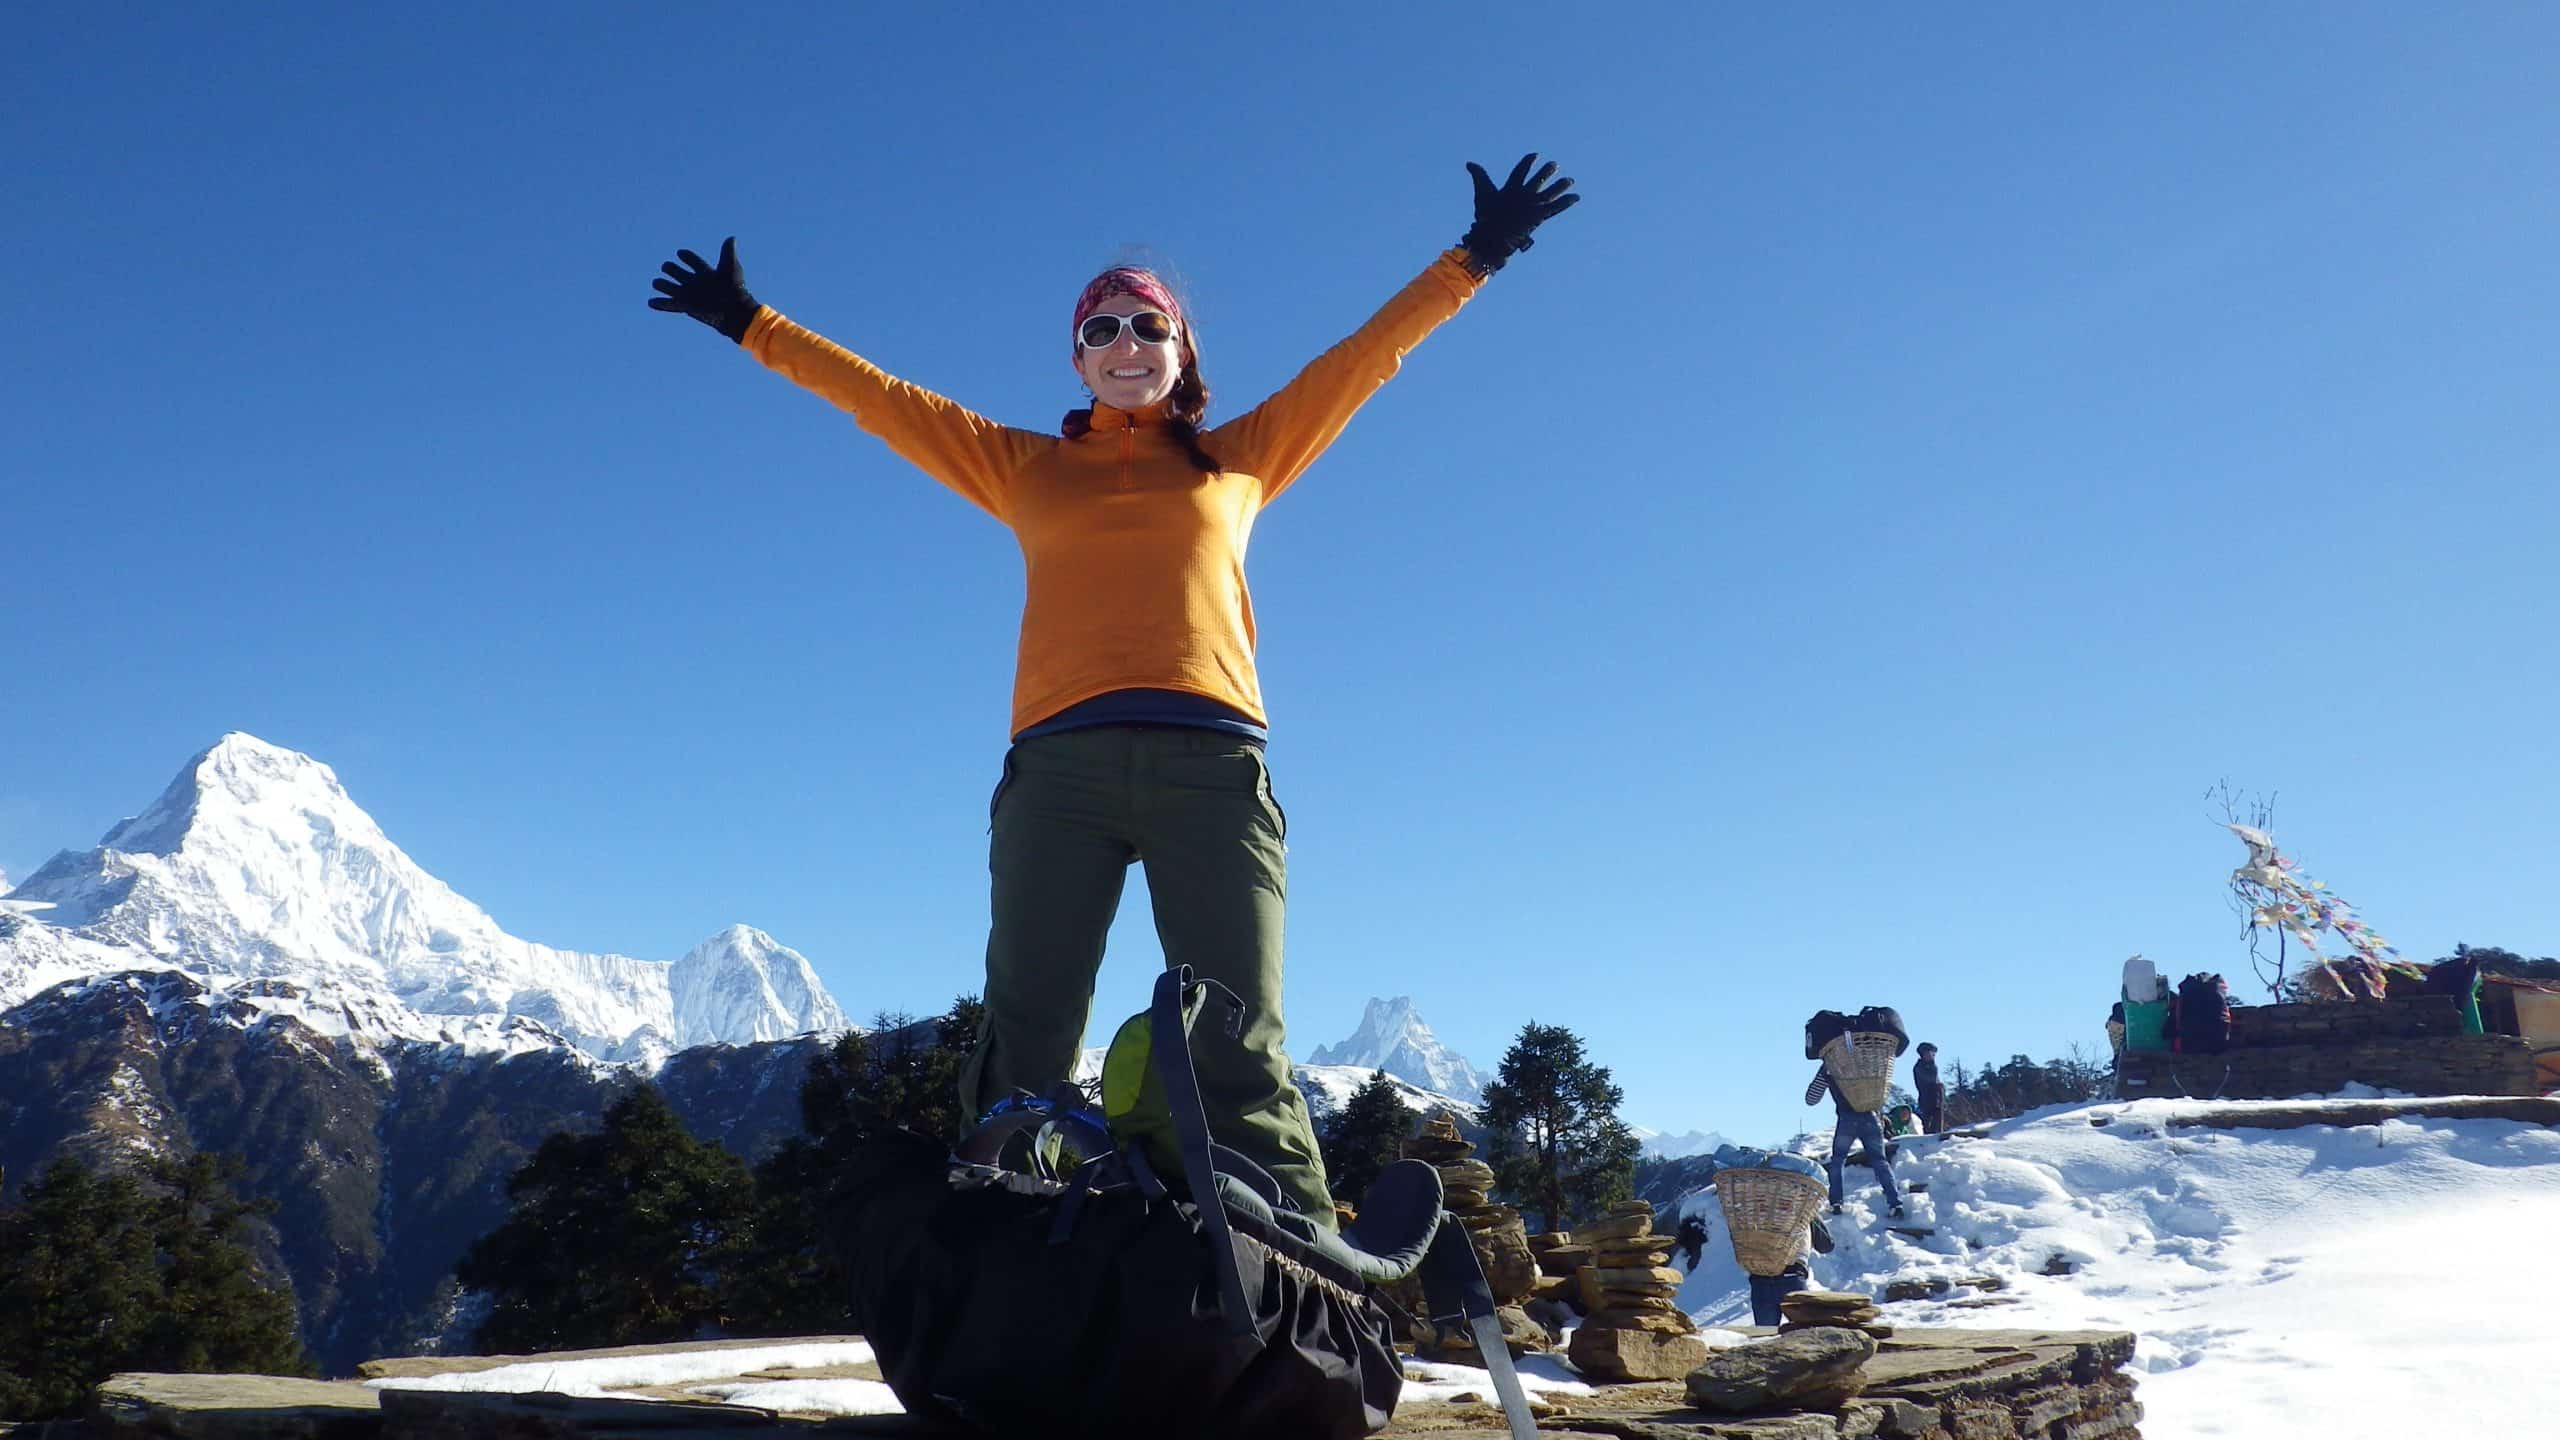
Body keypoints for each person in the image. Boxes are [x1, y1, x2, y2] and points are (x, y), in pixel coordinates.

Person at [648, 155, 1580, 1229]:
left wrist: (1477, 257)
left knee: (1235, 1034)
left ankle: (1302, 1269)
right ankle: (1001, 1248)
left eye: (1147, 328)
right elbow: (882, 401)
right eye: (1102, 331)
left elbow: (1361, 362)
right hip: (1058, 775)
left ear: (1182, 353)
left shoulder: (1239, 459)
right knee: (1025, 1035)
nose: (1125, 346)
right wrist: (749, 322)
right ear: (1077, 358)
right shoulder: (1023, 466)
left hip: (1212, 769)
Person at [1806, 1068, 1904, 1218]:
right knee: (1880, 1161)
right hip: (1871, 1117)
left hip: (1847, 1119)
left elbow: (1811, 1099)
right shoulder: (1864, 1060)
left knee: (1838, 1161)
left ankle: (1836, 1203)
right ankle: (1895, 1203)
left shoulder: (1831, 1064)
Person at [1746, 1214, 1835, 1327]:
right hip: (1792, 1277)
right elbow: (1826, 1245)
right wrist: (1811, 1217)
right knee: (1803, 1334)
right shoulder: (1804, 1208)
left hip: (1760, 1280)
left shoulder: (1753, 1209)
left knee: (1765, 1336)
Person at [1912, 1040, 1944, 1134]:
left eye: (1933, 1053)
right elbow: (1931, 1079)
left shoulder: (1932, 1066)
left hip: (1936, 1099)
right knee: (1928, 1124)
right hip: (1926, 1099)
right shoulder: (1919, 1067)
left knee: (1938, 1123)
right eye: (1929, 1053)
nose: (1932, 1056)